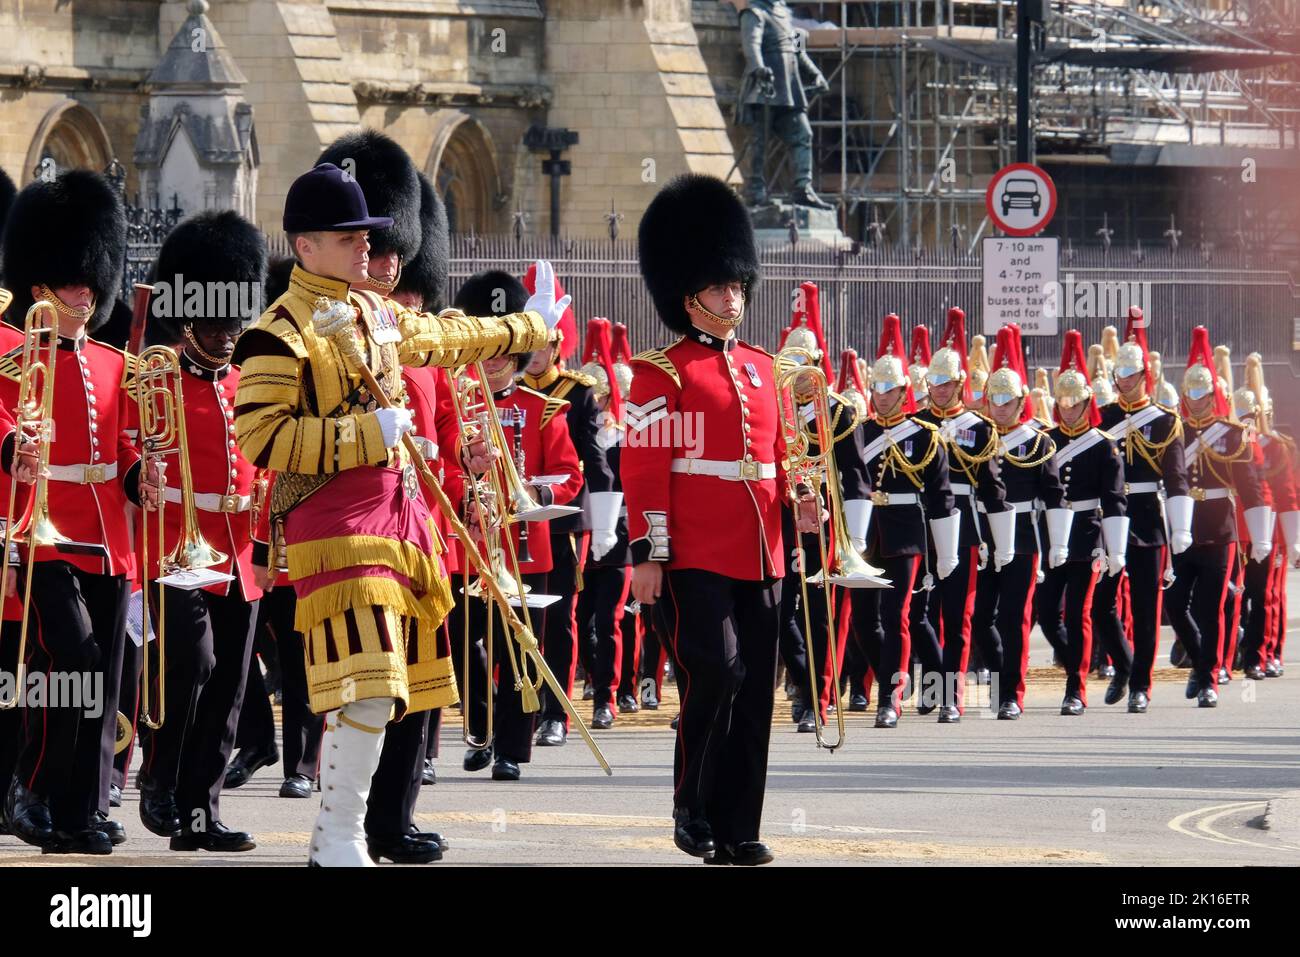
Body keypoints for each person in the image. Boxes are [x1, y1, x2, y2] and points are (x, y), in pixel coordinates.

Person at [231, 161, 561, 866]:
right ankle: (341, 832)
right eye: (347, 237)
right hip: (337, 528)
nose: (364, 248)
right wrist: (361, 436)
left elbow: (447, 337)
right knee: (372, 683)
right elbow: (260, 438)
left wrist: (528, 325)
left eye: (364, 236)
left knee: (399, 689)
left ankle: (335, 835)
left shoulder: (372, 312)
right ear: (305, 245)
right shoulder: (277, 332)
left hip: (400, 524)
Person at [623, 173, 814, 865]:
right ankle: (690, 802)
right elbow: (643, 469)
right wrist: (649, 552)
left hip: (762, 551)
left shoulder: (766, 369)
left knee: (755, 691)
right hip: (693, 553)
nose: (733, 294)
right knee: (718, 672)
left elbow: (784, 457)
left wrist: (804, 502)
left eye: (737, 283)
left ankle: (738, 828)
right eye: (719, 284)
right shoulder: (660, 375)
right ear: (688, 294)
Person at [0, 169, 139, 854]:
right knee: (73, 659)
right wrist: (10, 445)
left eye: (91, 282)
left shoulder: (115, 363)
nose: (85, 294)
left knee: (103, 679)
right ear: (39, 286)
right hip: (44, 531)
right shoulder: (10, 356)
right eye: (71, 281)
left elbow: (127, 446)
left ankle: (82, 808)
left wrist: (148, 473)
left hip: (107, 535)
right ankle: (33, 787)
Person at [130, 210, 267, 852]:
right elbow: (131, 449)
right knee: (191, 662)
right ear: (188, 317)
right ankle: (158, 775)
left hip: (238, 549)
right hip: (174, 546)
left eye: (232, 319)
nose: (226, 332)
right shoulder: (156, 379)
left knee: (231, 689)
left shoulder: (244, 383)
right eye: (214, 321)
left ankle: (200, 810)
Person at [448, 270, 583, 782]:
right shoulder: (456, 406)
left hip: (526, 548)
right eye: (488, 345)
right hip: (468, 546)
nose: (496, 356)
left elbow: (571, 475)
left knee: (520, 651)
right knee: (466, 645)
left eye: (506, 346)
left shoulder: (543, 409)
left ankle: (510, 749)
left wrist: (537, 493)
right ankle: (480, 726)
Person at [518, 265, 614, 746]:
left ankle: (556, 710)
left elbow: (596, 464)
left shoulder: (576, 395)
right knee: (518, 620)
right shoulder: (506, 392)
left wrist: (604, 524)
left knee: (558, 618)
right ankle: (519, 707)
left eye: (542, 346)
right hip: (513, 522)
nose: (533, 356)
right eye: (527, 346)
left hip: (559, 522)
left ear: (556, 346)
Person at [847, 314, 955, 729]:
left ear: (904, 391)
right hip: (865, 530)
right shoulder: (859, 431)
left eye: (890, 389)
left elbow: (941, 494)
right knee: (862, 622)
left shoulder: (925, 434)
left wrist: (944, 550)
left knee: (898, 616)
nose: (882, 396)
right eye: (877, 388)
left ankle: (889, 699)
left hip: (907, 532)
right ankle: (909, 681)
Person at [1164, 327, 1269, 707]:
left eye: (1201, 395)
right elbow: (1173, 477)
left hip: (1219, 529)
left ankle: (1209, 678)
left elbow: (1251, 486)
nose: (1194, 402)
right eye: (1189, 395)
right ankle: (1199, 660)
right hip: (1183, 527)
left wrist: (1260, 535)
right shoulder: (1173, 431)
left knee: (1211, 607)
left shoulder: (1233, 434)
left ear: (1213, 394)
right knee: (1175, 604)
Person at [1095, 307, 1192, 712]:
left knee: (1145, 606)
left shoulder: (1165, 421)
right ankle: (1124, 664)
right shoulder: (1103, 418)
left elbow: (1176, 477)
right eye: (1120, 377)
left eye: (1131, 376)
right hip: (1110, 515)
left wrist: (1180, 526)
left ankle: (1141, 684)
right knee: (1100, 603)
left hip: (1149, 514)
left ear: (1144, 378)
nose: (1125, 383)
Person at [914, 307, 1007, 721]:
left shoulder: (980, 428)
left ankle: (950, 696)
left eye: (944, 383)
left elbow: (991, 488)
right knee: (918, 613)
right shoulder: (913, 424)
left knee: (957, 615)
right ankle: (934, 682)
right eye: (932, 382)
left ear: (958, 384)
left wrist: (999, 539)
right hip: (920, 525)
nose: (937, 389)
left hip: (964, 525)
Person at [1036, 331, 1127, 716]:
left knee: (1079, 612)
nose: (1069, 408)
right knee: (1046, 613)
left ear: (1088, 403)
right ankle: (1086, 661)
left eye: (1076, 402)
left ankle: (1076, 687)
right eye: (1063, 402)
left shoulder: (1104, 444)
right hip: (1053, 533)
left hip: (1089, 534)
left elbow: (1114, 499)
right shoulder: (1047, 440)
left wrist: (1115, 549)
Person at [982, 325, 1068, 719]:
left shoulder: (1039, 442)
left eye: (1006, 399)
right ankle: (999, 676)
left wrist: (1057, 544)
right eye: (993, 398)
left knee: (1015, 617)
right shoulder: (975, 436)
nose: (999, 406)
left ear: (1020, 402)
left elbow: (1053, 493)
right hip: (982, 532)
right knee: (981, 617)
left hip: (1022, 536)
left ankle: (1010, 694)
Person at [724, 0, 833, 209]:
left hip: (789, 90)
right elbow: (751, 45)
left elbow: (797, 50)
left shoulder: (784, 13)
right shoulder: (753, 12)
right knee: (759, 144)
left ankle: (803, 189)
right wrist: (759, 68)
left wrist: (815, 73)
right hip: (764, 89)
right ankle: (755, 192)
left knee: (803, 135)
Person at [1229, 354, 1294, 682]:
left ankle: (1266, 653)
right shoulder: (1227, 442)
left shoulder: (1276, 447)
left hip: (1266, 528)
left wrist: (1291, 539)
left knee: (1267, 595)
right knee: (1232, 595)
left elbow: (1285, 494)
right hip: (1233, 529)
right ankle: (1228, 657)